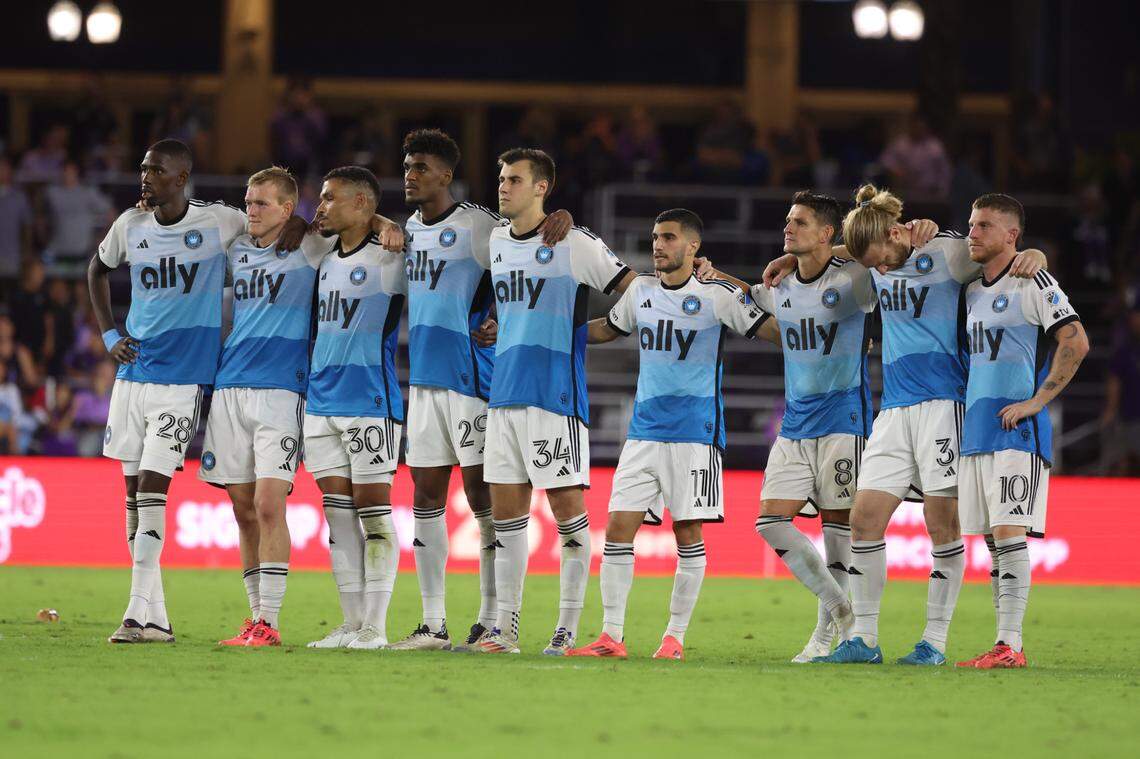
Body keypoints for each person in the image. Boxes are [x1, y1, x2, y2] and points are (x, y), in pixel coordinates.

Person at [804, 185, 1046, 665]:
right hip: (893, 410)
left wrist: (1036, 252)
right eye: (872, 265)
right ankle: (864, 641)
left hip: (944, 406)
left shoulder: (945, 252)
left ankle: (933, 643)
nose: (882, 271)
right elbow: (844, 252)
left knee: (941, 523)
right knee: (864, 518)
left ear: (898, 233)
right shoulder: (873, 261)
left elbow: (999, 252)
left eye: (884, 259)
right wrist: (796, 260)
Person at [89, 139, 305, 644]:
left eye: (155, 170)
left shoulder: (219, 221)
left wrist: (299, 221)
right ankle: (155, 614)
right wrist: (109, 335)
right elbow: (97, 269)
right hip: (133, 375)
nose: (145, 177)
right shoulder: (130, 225)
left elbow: (275, 222)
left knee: (153, 489)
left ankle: (135, 611)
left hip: (184, 382)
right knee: (131, 497)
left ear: (181, 177)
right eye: (142, 168)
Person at [698, 192, 929, 662]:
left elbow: (877, 251)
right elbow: (748, 299)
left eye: (799, 222)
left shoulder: (854, 281)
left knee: (837, 529)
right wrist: (717, 277)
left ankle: (827, 637)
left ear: (826, 233)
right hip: (796, 422)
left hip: (844, 419)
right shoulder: (779, 285)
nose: (788, 227)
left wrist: (840, 248)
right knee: (769, 521)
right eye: (787, 221)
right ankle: (840, 607)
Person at [389, 129, 572, 651]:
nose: (410, 175)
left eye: (420, 167)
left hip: (472, 382)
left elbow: (529, 244)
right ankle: (432, 623)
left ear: (446, 175)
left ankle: (492, 619)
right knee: (424, 496)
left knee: (482, 499)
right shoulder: (407, 229)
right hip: (423, 382)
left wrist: (563, 217)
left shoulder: (476, 224)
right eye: (407, 166)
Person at [566, 209, 773, 660]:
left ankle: (674, 637)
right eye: (655, 236)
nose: (658, 245)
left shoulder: (717, 296)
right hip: (642, 434)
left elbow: (767, 327)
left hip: (695, 436)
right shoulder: (640, 291)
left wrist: (821, 336)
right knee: (618, 529)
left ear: (692, 246)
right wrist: (562, 332)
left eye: (669, 237)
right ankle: (611, 636)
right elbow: (607, 328)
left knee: (688, 532)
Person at [473, 148, 635, 655]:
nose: (503, 187)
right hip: (503, 395)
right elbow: (518, 303)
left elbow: (637, 289)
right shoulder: (498, 240)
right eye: (501, 178)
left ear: (542, 188)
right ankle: (504, 629)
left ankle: (565, 630)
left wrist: (597, 330)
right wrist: (504, 326)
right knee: (506, 521)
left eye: (515, 179)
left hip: (554, 399)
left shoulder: (575, 242)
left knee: (568, 514)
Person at [955, 194, 1088, 668]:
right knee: (994, 541)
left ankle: (1012, 644)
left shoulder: (1033, 281)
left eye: (985, 226)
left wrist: (1036, 402)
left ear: (1012, 235)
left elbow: (1076, 340)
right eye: (971, 224)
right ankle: (1003, 643)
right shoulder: (970, 291)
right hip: (977, 432)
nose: (973, 233)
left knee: (1009, 535)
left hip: (1017, 431)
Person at [302, 166, 408, 651]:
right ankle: (349, 623)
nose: (319, 207)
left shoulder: (391, 259)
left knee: (374, 516)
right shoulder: (322, 254)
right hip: (321, 402)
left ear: (361, 204)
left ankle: (375, 627)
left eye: (329, 198)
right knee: (338, 517)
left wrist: (389, 225)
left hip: (370, 402)